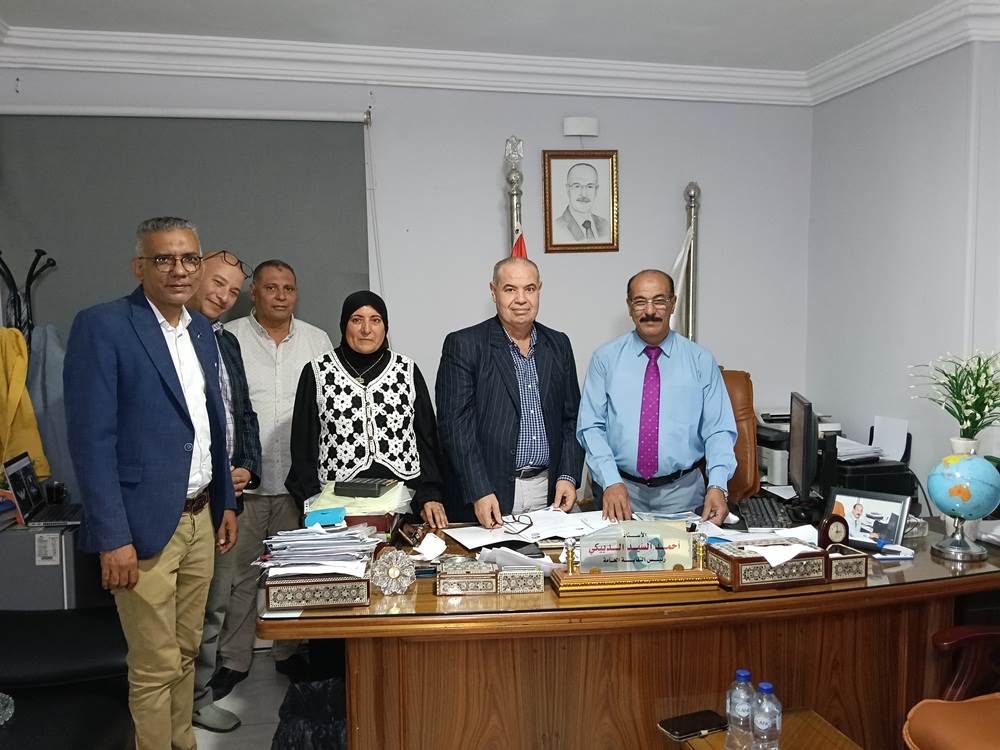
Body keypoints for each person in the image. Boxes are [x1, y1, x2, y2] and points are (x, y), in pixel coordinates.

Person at [64, 217, 237, 750]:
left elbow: (210, 424)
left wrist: (225, 502)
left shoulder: (201, 329)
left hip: (200, 518)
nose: (179, 269)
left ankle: (182, 741)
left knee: (186, 650)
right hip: (141, 528)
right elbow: (91, 442)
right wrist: (111, 536)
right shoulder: (104, 326)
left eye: (189, 258)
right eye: (164, 259)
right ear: (139, 266)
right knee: (155, 663)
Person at [214, 259, 332, 696]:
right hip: (244, 484)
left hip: (298, 485)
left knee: (295, 577)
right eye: (271, 287)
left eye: (289, 288)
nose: (281, 296)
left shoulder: (317, 340)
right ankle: (233, 660)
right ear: (254, 293)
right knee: (237, 578)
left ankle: (289, 652)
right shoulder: (230, 339)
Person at [577, 269, 736, 522]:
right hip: (620, 494)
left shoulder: (700, 361)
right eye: (640, 301)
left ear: (673, 304)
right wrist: (610, 481)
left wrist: (717, 485)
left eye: (659, 301)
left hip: (684, 494)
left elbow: (718, 430)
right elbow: (591, 427)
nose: (650, 310)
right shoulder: (605, 359)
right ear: (629, 306)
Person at [437, 257, 584, 528]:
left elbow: (572, 418)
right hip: (489, 496)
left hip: (548, 493)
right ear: (493, 292)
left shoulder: (559, 344)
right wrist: (478, 489)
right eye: (510, 289)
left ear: (539, 290)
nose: (521, 299)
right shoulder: (464, 344)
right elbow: (455, 426)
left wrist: (568, 475)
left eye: (529, 289)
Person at [286, 290, 449, 527]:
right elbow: (303, 445)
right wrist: (312, 502)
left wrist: (430, 495)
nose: (366, 329)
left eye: (375, 320)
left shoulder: (406, 370)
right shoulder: (317, 372)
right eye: (357, 320)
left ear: (385, 327)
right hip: (336, 508)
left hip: (405, 504)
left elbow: (426, 439)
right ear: (344, 324)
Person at [186, 251, 262, 733]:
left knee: (214, 604)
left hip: (224, 500)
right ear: (194, 275)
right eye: (217, 283)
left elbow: (243, 414)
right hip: (181, 498)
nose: (224, 296)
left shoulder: (225, 341)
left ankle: (197, 698)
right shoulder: (170, 337)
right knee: (180, 614)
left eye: (233, 291)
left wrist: (247, 467)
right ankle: (170, 708)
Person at [552, 163, 610, 243]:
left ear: (596, 190)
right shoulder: (556, 228)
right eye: (577, 186)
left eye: (590, 186)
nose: (584, 194)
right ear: (568, 189)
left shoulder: (605, 225)